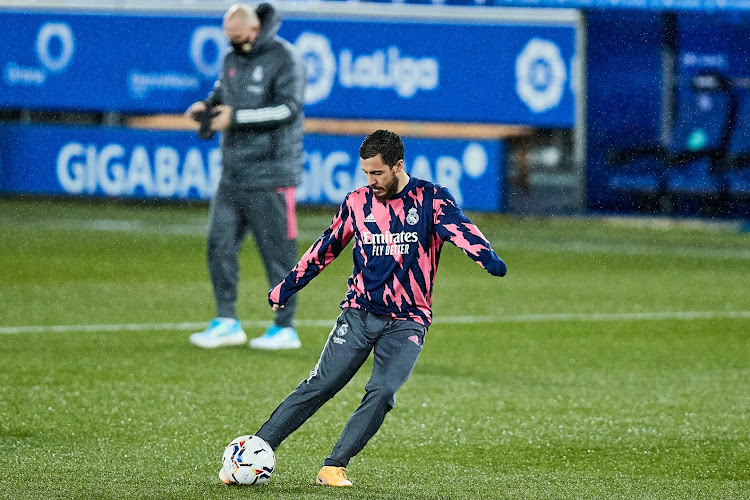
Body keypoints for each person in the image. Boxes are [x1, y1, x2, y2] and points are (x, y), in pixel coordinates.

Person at [219, 130, 507, 487]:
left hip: (407, 321)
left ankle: (334, 465)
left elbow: (461, 230)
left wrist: (486, 257)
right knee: (322, 383)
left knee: (383, 391)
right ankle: (257, 448)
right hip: (358, 313)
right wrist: (288, 286)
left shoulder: (430, 199)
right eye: (366, 173)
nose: (371, 181)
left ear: (397, 166)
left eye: (377, 173)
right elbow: (325, 248)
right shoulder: (357, 202)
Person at [185, 3, 306, 350]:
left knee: (278, 254)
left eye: (238, 38)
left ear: (254, 30)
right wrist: (206, 108)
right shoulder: (232, 59)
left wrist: (234, 118)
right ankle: (226, 321)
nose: (234, 44)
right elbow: (222, 95)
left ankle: (285, 327)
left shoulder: (286, 58)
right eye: (229, 39)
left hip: (272, 171)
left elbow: (288, 109)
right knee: (218, 245)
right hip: (233, 172)